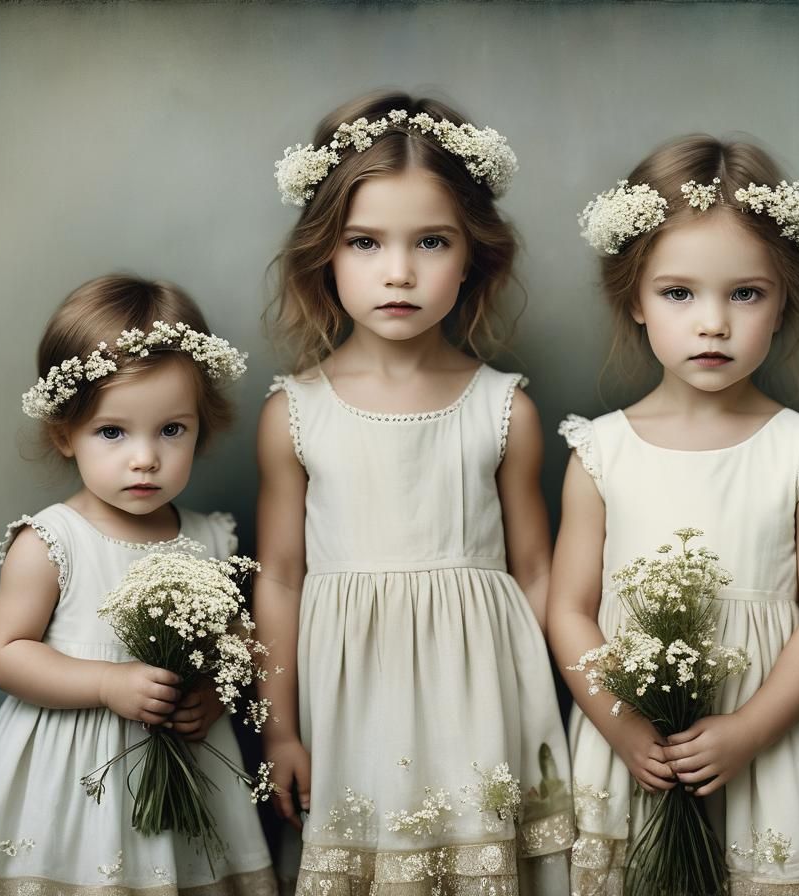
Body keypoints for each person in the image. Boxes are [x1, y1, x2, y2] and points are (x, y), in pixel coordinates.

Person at [549, 136, 799, 895]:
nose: (713, 323)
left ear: (782, 303)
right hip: (635, 751)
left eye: (745, 294)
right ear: (634, 300)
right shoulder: (601, 452)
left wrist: (750, 730)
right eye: (679, 293)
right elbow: (569, 610)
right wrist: (620, 725)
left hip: (768, 748)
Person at [256, 91, 575, 896]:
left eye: (431, 241)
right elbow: (281, 577)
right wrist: (281, 730)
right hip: (351, 700)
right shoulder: (294, 413)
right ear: (325, 254)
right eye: (365, 242)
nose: (398, 272)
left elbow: (538, 573)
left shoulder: (504, 408)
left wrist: (577, 707)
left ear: (471, 257)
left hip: (482, 696)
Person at [0, 275, 276, 895]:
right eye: (112, 432)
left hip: (186, 768)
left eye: (172, 429)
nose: (145, 458)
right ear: (65, 433)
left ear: (201, 425)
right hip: (75, 773)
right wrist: (105, 682)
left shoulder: (210, 538)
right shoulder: (52, 542)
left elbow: (240, 642)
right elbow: (4, 654)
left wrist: (214, 695)